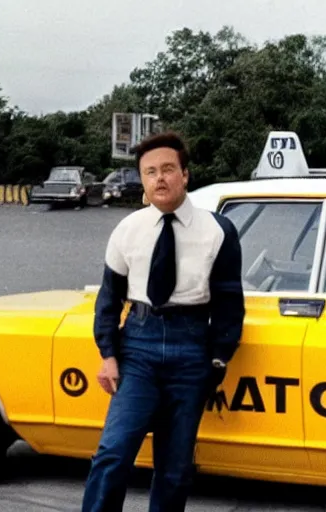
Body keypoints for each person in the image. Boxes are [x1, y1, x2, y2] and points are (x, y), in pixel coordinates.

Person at [81, 131, 245, 511]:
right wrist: (108, 353)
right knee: (113, 454)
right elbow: (109, 299)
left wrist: (217, 360)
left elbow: (228, 304)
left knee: (174, 467)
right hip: (138, 344)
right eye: (150, 171)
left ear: (185, 175)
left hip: (192, 348)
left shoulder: (218, 231)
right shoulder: (128, 229)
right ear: (142, 179)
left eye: (168, 169)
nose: (160, 179)